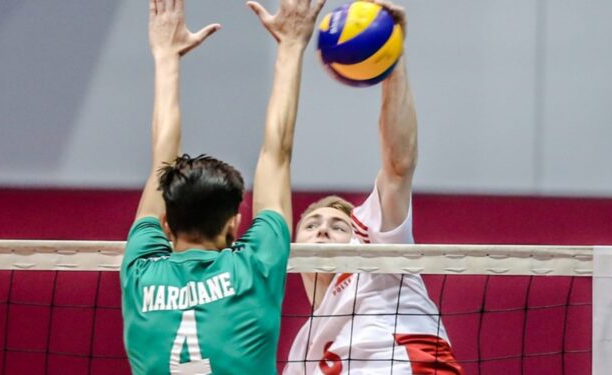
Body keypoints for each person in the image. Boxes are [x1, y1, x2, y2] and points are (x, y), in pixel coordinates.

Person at [120, 0, 326, 374]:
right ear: (234, 224)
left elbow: (160, 163)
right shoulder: (254, 268)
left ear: (165, 225)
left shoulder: (141, 272)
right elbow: (276, 153)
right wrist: (292, 44)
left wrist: (165, 57)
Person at [284, 1, 462, 374]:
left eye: (337, 225)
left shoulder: (376, 247)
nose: (322, 229)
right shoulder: (302, 352)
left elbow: (398, 166)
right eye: (312, 224)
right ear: (293, 246)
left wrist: (392, 64)